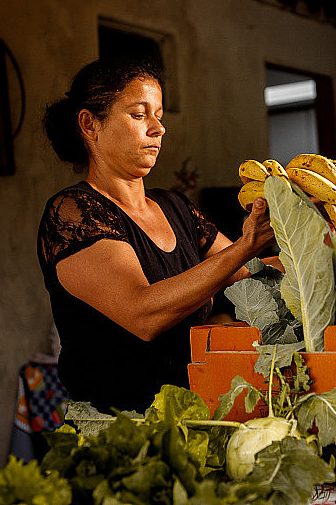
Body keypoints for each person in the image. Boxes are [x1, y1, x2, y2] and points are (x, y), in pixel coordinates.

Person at [37, 56, 278, 412]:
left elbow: (248, 276)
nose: (158, 128)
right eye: (139, 115)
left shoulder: (174, 206)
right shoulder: (73, 212)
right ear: (90, 125)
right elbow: (142, 314)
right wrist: (244, 246)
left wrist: (321, 250)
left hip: (191, 419)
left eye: (159, 116)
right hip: (121, 433)